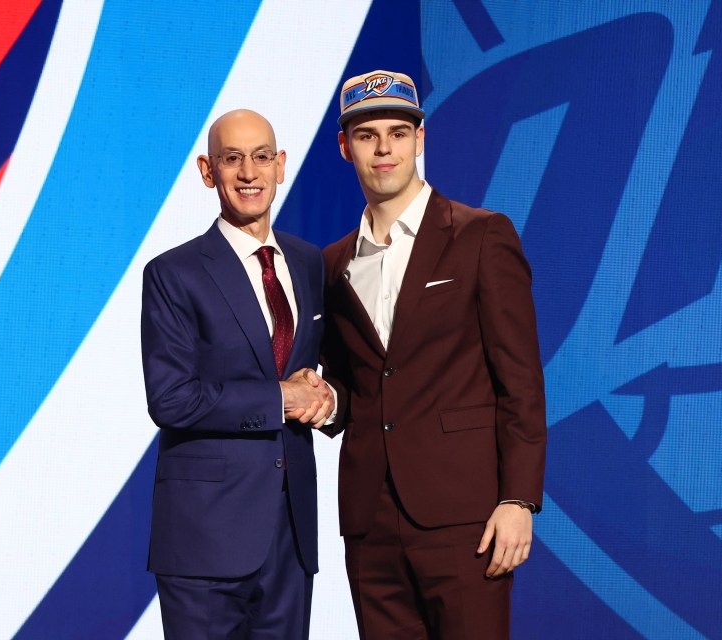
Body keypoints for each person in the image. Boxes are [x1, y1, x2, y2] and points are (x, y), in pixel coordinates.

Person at [319, 70, 548, 639]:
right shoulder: (332, 264)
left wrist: (518, 499)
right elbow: (355, 388)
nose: (384, 148)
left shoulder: (481, 235)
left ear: (420, 139)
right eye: (367, 136)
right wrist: (323, 402)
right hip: (371, 521)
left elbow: (520, 380)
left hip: (465, 516)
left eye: (398, 132)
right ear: (346, 147)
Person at [141, 109, 334, 639]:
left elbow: (322, 373)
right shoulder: (172, 273)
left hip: (290, 539)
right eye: (232, 159)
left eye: (261, 157)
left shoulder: (309, 262)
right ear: (208, 171)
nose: (249, 172)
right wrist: (281, 400)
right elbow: (172, 399)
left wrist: (327, 401)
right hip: (204, 538)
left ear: (281, 166)